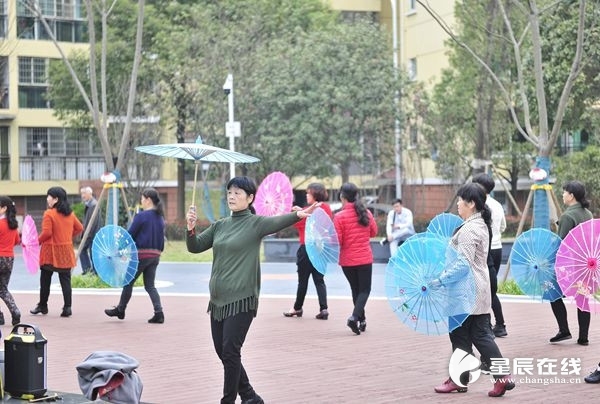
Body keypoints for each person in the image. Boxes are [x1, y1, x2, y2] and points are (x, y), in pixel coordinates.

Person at [185, 176, 319, 404]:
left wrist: (298, 215)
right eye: (229, 192)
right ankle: (249, 396)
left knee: (230, 351)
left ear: (250, 198)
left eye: (238, 193)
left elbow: (277, 221)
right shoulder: (220, 226)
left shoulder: (255, 224)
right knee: (224, 352)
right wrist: (190, 228)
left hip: (242, 299)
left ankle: (228, 400)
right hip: (217, 301)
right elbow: (195, 246)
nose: (231, 196)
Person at [433, 183, 515, 397]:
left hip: (463, 291)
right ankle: (502, 376)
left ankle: (459, 380)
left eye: (460, 200)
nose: (458, 204)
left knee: (459, 336)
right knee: (481, 335)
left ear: (471, 203)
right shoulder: (479, 225)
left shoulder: (470, 229)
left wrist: (441, 280)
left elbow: (463, 264)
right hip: (478, 289)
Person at [105, 188, 166, 324]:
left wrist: (118, 250)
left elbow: (129, 235)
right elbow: (162, 239)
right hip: (155, 255)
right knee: (150, 286)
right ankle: (159, 312)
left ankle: (121, 309)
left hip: (141, 255)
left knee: (128, 282)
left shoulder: (142, 216)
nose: (141, 202)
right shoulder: (160, 218)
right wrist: (158, 252)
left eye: (142, 199)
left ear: (148, 200)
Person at [549, 180, 593, 345]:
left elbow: (561, 244)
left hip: (569, 265)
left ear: (571, 195)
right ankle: (583, 337)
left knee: (552, 293)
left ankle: (564, 330)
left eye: (564, 192)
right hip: (586, 263)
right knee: (583, 298)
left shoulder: (568, 216)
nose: (563, 195)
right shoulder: (587, 213)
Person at [31, 187, 83, 318]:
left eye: (49, 196)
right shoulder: (70, 214)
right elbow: (80, 228)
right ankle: (67, 308)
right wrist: (67, 237)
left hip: (50, 251)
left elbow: (47, 233)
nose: (47, 198)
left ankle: (43, 306)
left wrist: (36, 241)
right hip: (65, 251)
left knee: (45, 280)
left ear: (56, 199)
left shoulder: (49, 213)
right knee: (65, 280)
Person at [284, 183, 333, 320]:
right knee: (319, 280)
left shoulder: (306, 211)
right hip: (321, 248)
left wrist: (297, 213)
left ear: (315, 194)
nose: (306, 195)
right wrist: (302, 210)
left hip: (306, 248)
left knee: (303, 281)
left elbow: (297, 224)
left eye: (308, 193)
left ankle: (297, 308)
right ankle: (324, 309)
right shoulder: (327, 208)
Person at [334, 183, 378, 335]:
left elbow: (338, 241)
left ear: (342, 196)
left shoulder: (339, 217)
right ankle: (354, 318)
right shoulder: (365, 212)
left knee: (356, 290)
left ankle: (362, 320)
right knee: (364, 290)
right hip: (364, 259)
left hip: (347, 261)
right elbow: (373, 232)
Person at [472, 174, 508, 337]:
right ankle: (497, 324)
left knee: (486, 289)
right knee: (489, 288)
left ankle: (496, 325)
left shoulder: (479, 205)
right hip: (497, 248)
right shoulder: (498, 204)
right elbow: (503, 227)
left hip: (484, 250)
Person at [0, 196, 22, 326]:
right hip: (9, 259)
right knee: (3, 289)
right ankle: (15, 310)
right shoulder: (13, 225)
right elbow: (17, 242)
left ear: (4, 208)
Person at [79, 186, 101, 275]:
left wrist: (87, 235)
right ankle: (90, 271)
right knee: (91, 252)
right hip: (91, 233)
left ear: (90, 194)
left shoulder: (93, 205)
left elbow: (93, 222)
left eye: (84, 193)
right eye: (81, 193)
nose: (82, 196)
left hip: (92, 234)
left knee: (90, 252)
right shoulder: (90, 204)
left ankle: (89, 270)